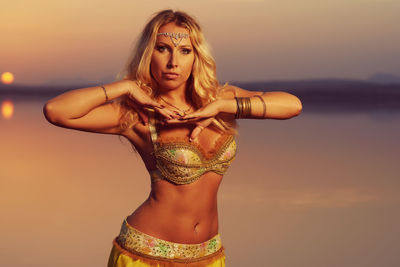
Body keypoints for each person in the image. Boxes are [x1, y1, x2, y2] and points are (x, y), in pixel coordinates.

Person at [43, 9, 302, 267]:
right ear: (148, 54)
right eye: (163, 48)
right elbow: (57, 111)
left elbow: (292, 105)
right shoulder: (137, 115)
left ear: (196, 56)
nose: (173, 62)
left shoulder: (221, 99)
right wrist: (125, 87)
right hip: (146, 255)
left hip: (210, 255)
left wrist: (224, 107)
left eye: (185, 51)